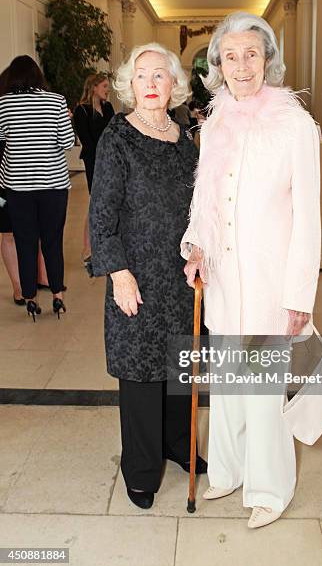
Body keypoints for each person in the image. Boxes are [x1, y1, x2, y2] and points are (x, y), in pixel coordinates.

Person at [182, 12, 321, 529]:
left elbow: (309, 216)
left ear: (268, 60)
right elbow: (205, 196)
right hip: (222, 277)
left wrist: (299, 293)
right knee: (229, 383)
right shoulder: (214, 120)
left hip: (269, 280)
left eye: (251, 55)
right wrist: (196, 247)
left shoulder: (295, 125)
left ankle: (270, 488)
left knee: (262, 392)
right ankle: (230, 469)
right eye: (231, 56)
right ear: (219, 64)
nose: (241, 66)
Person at [89, 42, 207, 511]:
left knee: (180, 366)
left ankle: (178, 444)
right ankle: (140, 468)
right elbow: (102, 216)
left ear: (175, 85)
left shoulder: (185, 141)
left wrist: (200, 244)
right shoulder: (117, 138)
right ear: (129, 86)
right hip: (135, 275)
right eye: (143, 76)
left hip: (179, 278)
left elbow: (199, 207)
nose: (152, 84)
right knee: (140, 374)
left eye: (161, 75)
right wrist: (118, 272)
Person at [0, 55, 74, 321]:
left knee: (25, 242)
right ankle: (57, 295)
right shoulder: (55, 100)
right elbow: (66, 142)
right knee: (53, 241)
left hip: (18, 186)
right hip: (53, 184)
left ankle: (30, 297)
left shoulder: (4, 104)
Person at [73, 73, 114, 262]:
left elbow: (114, 134)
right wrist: (102, 158)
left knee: (109, 203)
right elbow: (87, 141)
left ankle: (104, 247)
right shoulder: (81, 110)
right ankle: (88, 248)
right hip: (93, 162)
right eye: (105, 86)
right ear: (94, 87)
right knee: (95, 203)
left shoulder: (108, 108)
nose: (107, 90)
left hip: (110, 161)